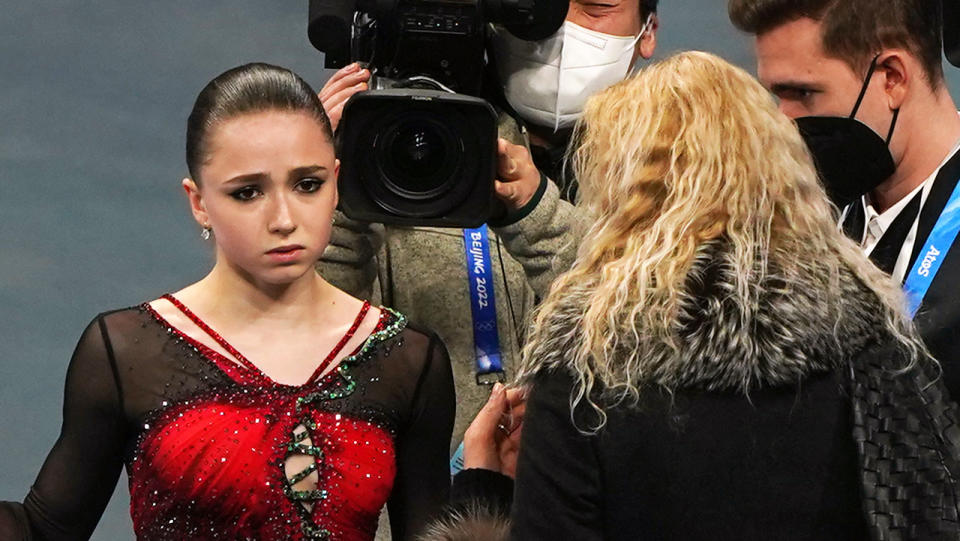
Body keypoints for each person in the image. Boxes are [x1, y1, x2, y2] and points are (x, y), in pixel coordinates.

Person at [429, 51, 960, 540]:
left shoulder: (586, 371)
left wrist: (484, 493)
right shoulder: (870, 339)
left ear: (623, 192)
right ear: (781, 169)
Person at [0, 63, 456, 541]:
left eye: (307, 184)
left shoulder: (407, 357)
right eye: (247, 192)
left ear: (336, 181)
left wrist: (488, 484)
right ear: (198, 202)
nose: (284, 218)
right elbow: (43, 529)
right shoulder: (127, 352)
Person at [317, 0, 659, 454]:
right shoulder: (395, 139)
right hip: (428, 508)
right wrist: (318, 179)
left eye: (595, 11)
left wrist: (537, 214)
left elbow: (653, 346)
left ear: (647, 31)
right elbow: (308, 345)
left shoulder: (683, 170)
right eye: (545, 8)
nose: (564, 31)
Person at [728, 0, 960, 398]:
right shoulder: (799, 226)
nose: (783, 121)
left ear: (892, 78)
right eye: (776, 96)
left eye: (802, 93)